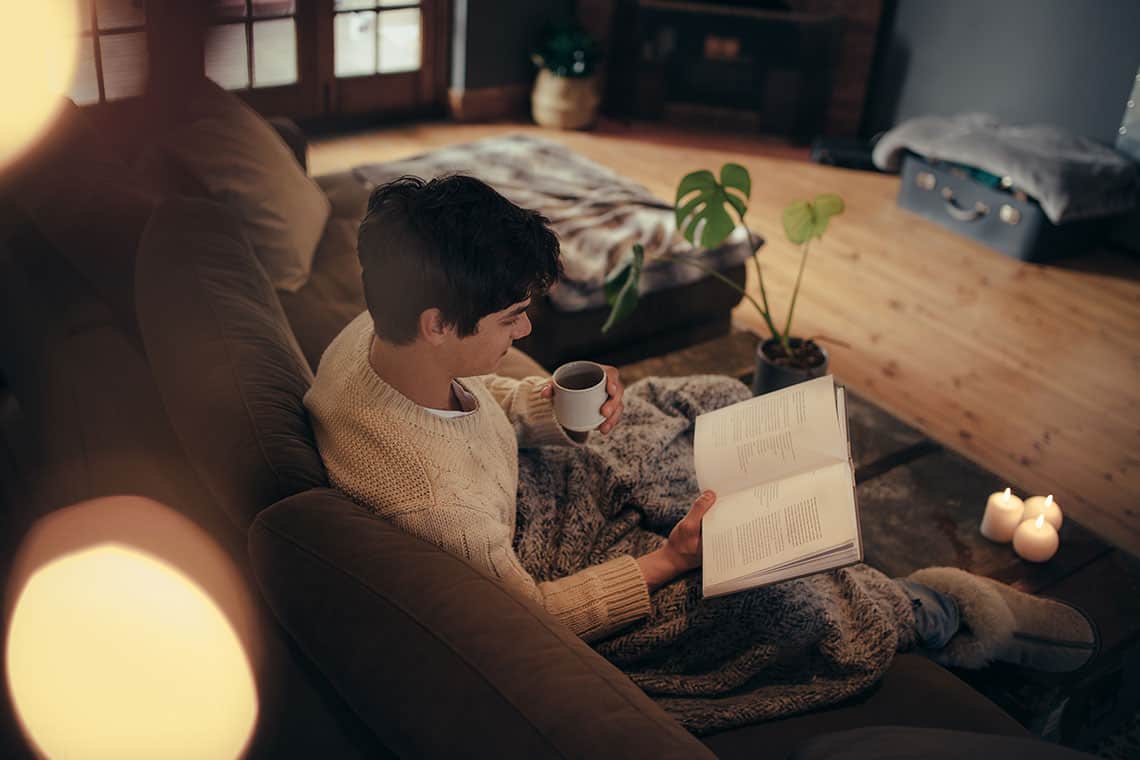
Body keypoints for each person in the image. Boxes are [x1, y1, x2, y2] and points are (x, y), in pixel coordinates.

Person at [305, 174, 1097, 692]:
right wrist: (667, 559)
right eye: (511, 318)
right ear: (439, 322)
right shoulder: (435, 504)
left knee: (717, 394)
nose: (522, 332)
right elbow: (529, 620)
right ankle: (935, 611)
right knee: (778, 595)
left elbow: (474, 396)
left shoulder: (372, 336)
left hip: (531, 478)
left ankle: (807, 533)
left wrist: (547, 406)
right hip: (545, 552)